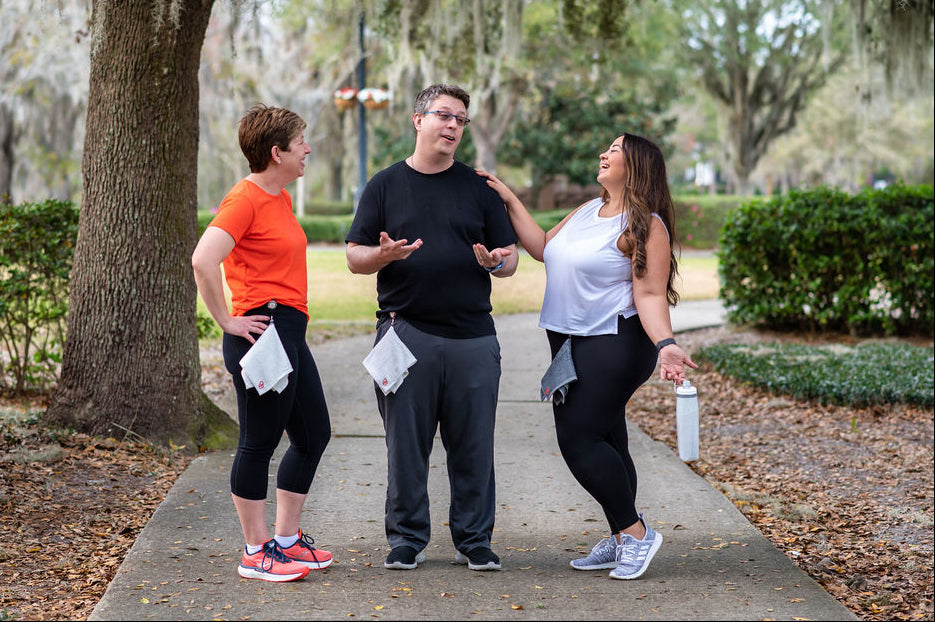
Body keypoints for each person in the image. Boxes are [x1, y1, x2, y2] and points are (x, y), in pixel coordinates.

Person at [476, 132, 698, 580]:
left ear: (635, 166)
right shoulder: (585, 213)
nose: (603, 153)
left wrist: (666, 345)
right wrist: (508, 198)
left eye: (614, 150)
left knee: (577, 438)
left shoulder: (645, 225)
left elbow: (651, 293)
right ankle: (621, 537)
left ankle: (634, 534)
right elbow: (540, 247)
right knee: (608, 437)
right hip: (570, 341)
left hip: (615, 339)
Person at [345, 84, 519, 572]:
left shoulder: (478, 188)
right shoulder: (384, 185)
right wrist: (383, 255)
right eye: (444, 115)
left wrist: (495, 263)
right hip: (406, 334)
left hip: (473, 338)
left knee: (474, 445)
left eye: (461, 120)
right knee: (406, 446)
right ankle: (405, 539)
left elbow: (510, 260)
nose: (453, 126)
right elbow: (355, 258)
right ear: (417, 120)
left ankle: (474, 539)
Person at [192, 104, 333, 583]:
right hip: (262, 334)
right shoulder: (245, 199)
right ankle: (255, 552)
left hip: (289, 331)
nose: (308, 149)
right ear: (277, 153)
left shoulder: (279, 198)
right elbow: (203, 260)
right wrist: (226, 320)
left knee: (313, 434)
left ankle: (287, 541)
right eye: (300, 143)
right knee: (259, 442)